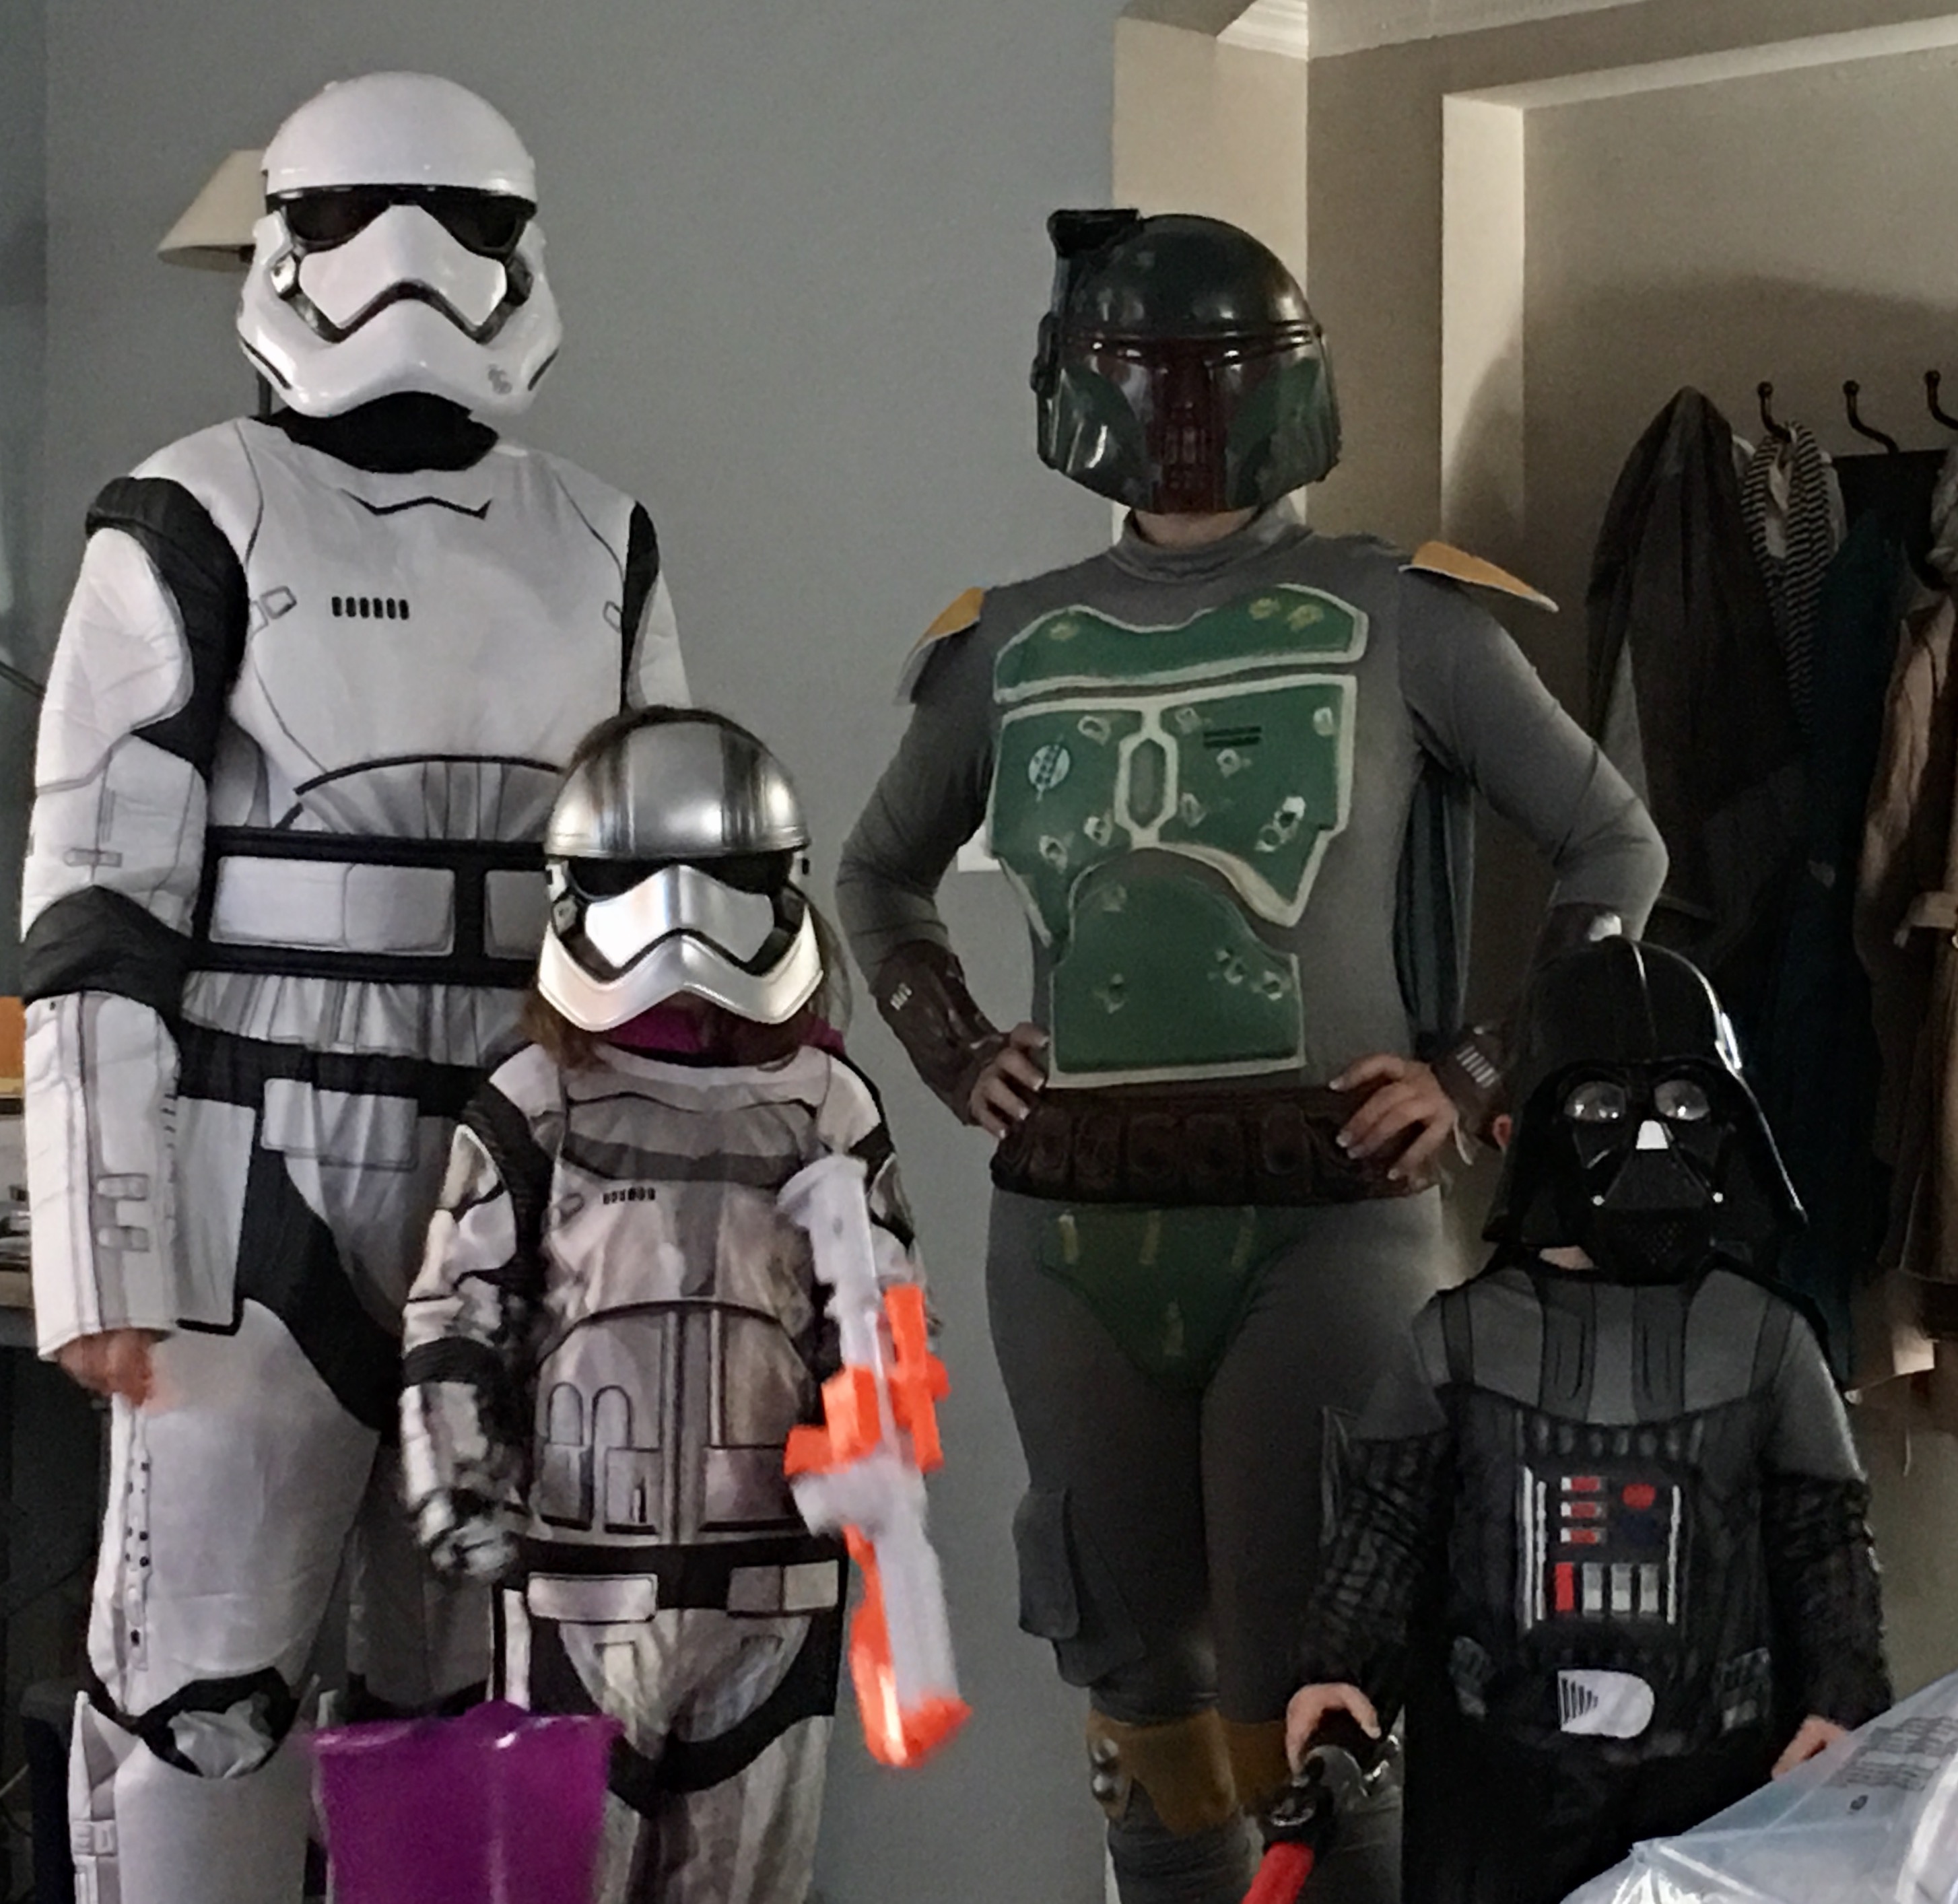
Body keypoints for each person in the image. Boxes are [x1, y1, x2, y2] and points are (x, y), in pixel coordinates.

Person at [836, 209, 1667, 1904]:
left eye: (1209, 372)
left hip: (1322, 1222)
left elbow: (1614, 845)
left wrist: (1478, 1073)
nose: (1178, 409)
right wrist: (954, 1047)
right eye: (1149, 372)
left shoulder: (1401, 612)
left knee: (1318, 1692)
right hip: (1072, 1231)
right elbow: (874, 873)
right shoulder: (1010, 641)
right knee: (1137, 1686)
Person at [20, 73, 685, 1904]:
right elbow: (98, 909)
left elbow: (662, 908)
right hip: (255, 1168)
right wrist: (98, 1246)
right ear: (284, 245)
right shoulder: (192, 515)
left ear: (520, 253)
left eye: (461, 223)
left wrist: (666, 1216)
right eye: (350, 218)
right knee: (200, 1696)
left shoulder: (600, 540)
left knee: (471, 1690)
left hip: (517, 1163)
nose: (407, 263)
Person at [400, 707, 918, 1903]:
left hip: (774, 1578)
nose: (682, 921)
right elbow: (457, 1314)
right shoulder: (538, 1100)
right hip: (578, 1576)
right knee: (556, 1876)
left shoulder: (825, 1104)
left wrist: (873, 1451)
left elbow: (876, 1313)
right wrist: (457, 1482)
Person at [1282, 935, 1890, 1904]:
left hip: (1718, 1793)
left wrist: (1842, 1693)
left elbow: (1822, 1539)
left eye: (1683, 1104)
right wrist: (1341, 1665)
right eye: (1602, 1108)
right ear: (1523, 1132)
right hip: (1499, 1799)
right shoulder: (1457, 1346)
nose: (1649, 1141)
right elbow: (1388, 1525)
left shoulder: (1767, 1343)